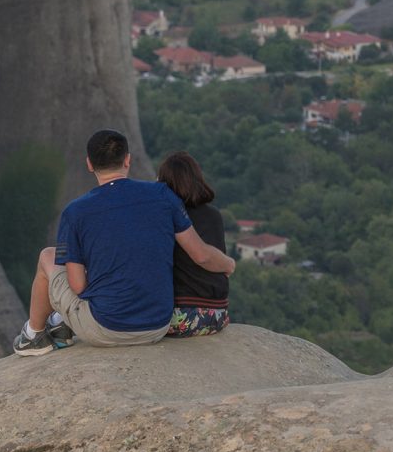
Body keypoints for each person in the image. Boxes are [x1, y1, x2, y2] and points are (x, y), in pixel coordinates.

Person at [13, 129, 235, 355]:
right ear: (127, 160)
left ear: (89, 164)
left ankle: (34, 335)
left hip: (106, 328)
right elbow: (200, 253)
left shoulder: (75, 212)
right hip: (157, 326)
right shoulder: (163, 195)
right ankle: (60, 324)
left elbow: (78, 286)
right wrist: (228, 264)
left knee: (47, 256)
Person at [158, 151, 231, 337]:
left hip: (177, 316)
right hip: (217, 315)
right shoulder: (213, 215)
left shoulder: (163, 217)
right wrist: (230, 264)